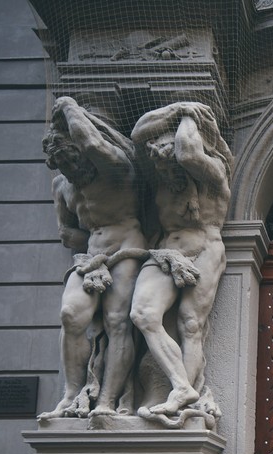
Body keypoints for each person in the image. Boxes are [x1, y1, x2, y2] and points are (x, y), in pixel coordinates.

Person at [39, 97, 147, 419]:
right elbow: (67, 233)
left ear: (81, 150)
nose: (69, 169)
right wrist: (91, 250)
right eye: (61, 164)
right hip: (91, 256)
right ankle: (72, 395)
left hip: (126, 246)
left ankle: (107, 401)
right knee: (71, 315)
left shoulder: (113, 167)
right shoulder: (63, 186)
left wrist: (68, 106)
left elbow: (92, 141)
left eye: (72, 160)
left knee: (117, 322)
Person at [129, 102, 232, 418]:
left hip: (205, 250)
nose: (165, 167)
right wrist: (178, 109)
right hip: (166, 253)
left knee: (190, 323)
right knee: (143, 314)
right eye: (159, 160)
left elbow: (188, 153)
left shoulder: (213, 174)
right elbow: (136, 134)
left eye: (169, 160)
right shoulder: (160, 178)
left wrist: (190, 115)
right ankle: (181, 385)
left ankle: (183, 393)